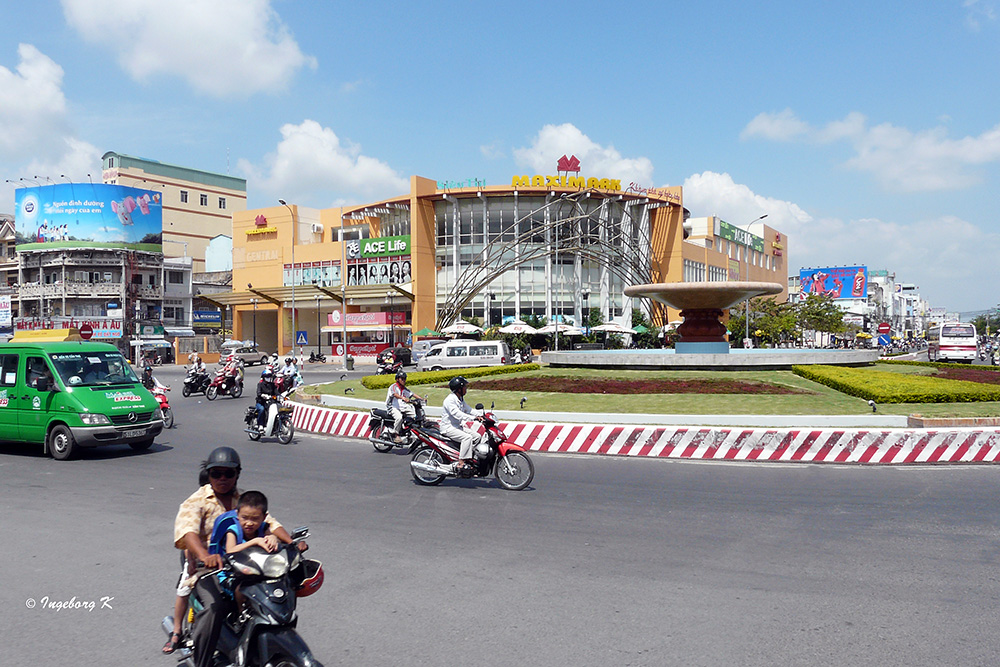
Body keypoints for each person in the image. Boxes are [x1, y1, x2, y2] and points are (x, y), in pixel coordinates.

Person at [171, 447, 304, 667]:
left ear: (237, 474)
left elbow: (270, 522)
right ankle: (202, 661)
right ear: (209, 474)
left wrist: (290, 543)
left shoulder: (244, 499)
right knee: (214, 608)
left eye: (228, 473)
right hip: (212, 567)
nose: (222, 478)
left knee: (278, 593)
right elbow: (187, 531)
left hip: (251, 564)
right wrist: (206, 555)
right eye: (216, 473)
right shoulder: (196, 501)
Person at [440, 376, 482, 473]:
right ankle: (461, 462)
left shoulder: (460, 399)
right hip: (448, 428)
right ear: (459, 389)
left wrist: (483, 414)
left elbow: (469, 410)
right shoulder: (450, 400)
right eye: (464, 387)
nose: (466, 389)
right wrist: (473, 418)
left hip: (456, 427)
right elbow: (457, 414)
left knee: (477, 436)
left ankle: (470, 458)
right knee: (467, 438)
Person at [386, 370, 423, 442]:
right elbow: (395, 394)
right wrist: (403, 398)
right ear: (397, 379)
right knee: (399, 418)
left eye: (405, 378)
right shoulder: (393, 387)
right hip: (393, 407)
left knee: (415, 416)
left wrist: (421, 399)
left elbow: (412, 394)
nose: (404, 380)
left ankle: (410, 431)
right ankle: (396, 435)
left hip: (402, 407)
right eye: (402, 378)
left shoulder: (404, 389)